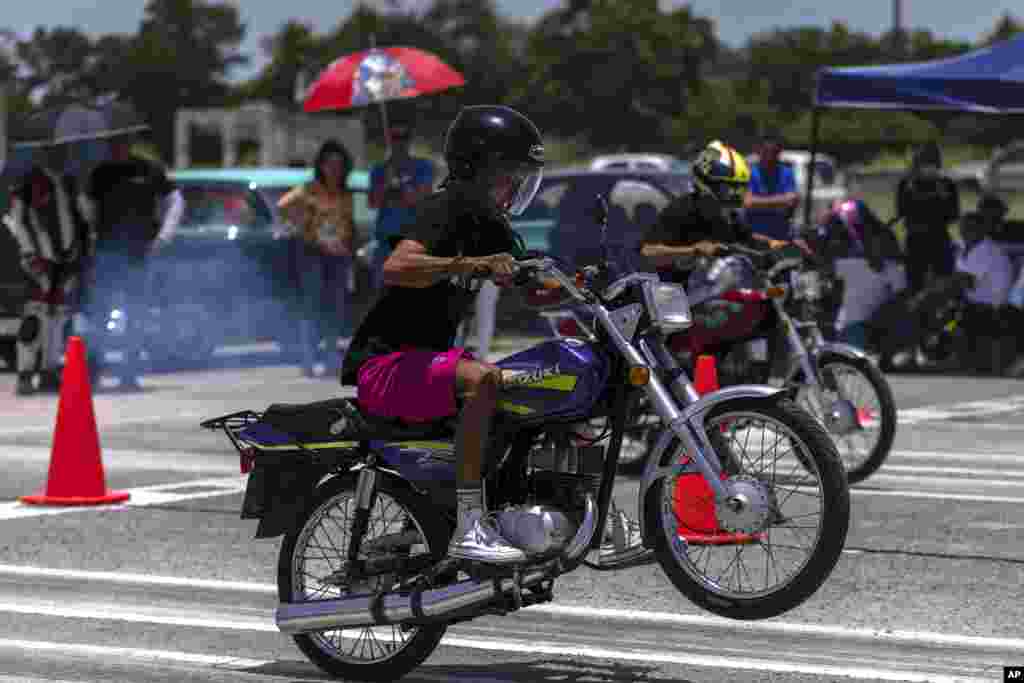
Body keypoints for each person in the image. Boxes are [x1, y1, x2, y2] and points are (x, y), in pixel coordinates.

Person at [341, 104, 546, 565]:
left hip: (428, 364)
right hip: (385, 364)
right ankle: (471, 524)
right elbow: (397, 267)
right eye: (509, 174)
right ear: (478, 167)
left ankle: (518, 510)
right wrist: (467, 264)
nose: (514, 187)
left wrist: (597, 286)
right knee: (483, 379)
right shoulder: (444, 208)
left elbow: (538, 283)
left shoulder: (491, 224)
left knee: (539, 383)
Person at [78, 137, 183, 390]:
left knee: (136, 315)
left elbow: (176, 200)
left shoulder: (148, 169)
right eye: (114, 143)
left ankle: (129, 373)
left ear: (129, 143)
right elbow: (85, 204)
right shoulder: (101, 173)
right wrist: (92, 232)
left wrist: (165, 235)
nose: (118, 147)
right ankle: (93, 373)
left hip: (140, 253)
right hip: (106, 253)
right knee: (99, 316)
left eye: (122, 142)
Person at [640, 140, 790, 282]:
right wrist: (693, 250)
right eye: (729, 187)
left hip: (711, 296)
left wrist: (782, 246)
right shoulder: (682, 210)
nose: (734, 194)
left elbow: (748, 238)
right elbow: (647, 252)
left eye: (739, 187)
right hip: (672, 296)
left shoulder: (724, 213)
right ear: (706, 183)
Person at [3, 165, 90, 395]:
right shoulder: (24, 188)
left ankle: (49, 371)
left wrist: (78, 258)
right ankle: (24, 374)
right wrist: (30, 256)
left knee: (57, 319)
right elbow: (16, 225)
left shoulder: (69, 186)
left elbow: (83, 221)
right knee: (34, 318)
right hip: (35, 262)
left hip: (66, 261)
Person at [278, 140, 356, 377]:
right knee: (311, 307)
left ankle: (331, 358)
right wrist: (302, 225)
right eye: (330, 164)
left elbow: (349, 224)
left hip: (339, 255)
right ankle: (308, 359)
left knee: (335, 309)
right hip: (314, 253)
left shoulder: (345, 193)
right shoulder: (309, 189)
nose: (334, 169)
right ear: (321, 166)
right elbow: (283, 206)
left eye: (339, 165)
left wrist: (347, 246)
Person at [820, 199, 908, 351]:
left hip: (875, 324)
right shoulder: (847, 264)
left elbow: (901, 298)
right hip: (853, 326)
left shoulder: (891, 267)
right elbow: (825, 270)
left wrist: (880, 316)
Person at [367, 119, 436, 294]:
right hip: (385, 245)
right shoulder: (379, 170)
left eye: (403, 137)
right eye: (395, 137)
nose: (399, 142)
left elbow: (420, 199)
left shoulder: (423, 167)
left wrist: (401, 181)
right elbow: (373, 202)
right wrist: (387, 182)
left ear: (409, 140)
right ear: (388, 139)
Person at [895, 141, 960, 294]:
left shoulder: (947, 184)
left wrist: (942, 195)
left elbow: (953, 215)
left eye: (932, 162)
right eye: (925, 161)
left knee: (943, 283)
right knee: (915, 285)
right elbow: (902, 212)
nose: (929, 166)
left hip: (939, 239)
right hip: (915, 240)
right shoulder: (906, 184)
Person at [743, 130, 800, 242]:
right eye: (765, 151)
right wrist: (781, 201)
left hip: (781, 236)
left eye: (774, 152)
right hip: (755, 237)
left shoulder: (787, 173)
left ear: (779, 152)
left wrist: (759, 202)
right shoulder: (749, 173)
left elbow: (792, 201)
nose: (770, 156)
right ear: (758, 151)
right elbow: (747, 202)